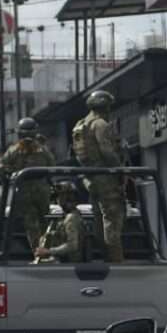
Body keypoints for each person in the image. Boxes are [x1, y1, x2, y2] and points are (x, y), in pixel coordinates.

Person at [71, 91, 126, 263]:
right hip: (105, 177)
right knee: (112, 219)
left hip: (90, 179)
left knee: (99, 219)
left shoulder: (81, 125)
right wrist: (121, 170)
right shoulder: (100, 124)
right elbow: (107, 151)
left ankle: (105, 255)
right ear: (105, 106)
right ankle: (116, 261)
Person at [0, 117, 57, 248]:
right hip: (42, 189)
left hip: (23, 189)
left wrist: (10, 178)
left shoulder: (13, 150)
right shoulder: (43, 149)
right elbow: (52, 167)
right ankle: (48, 250)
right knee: (45, 221)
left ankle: (38, 252)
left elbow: (2, 169)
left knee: (31, 224)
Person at [34, 184, 85, 264]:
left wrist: (48, 251)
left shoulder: (71, 218)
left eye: (59, 197)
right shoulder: (70, 215)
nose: (57, 201)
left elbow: (72, 246)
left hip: (69, 264)